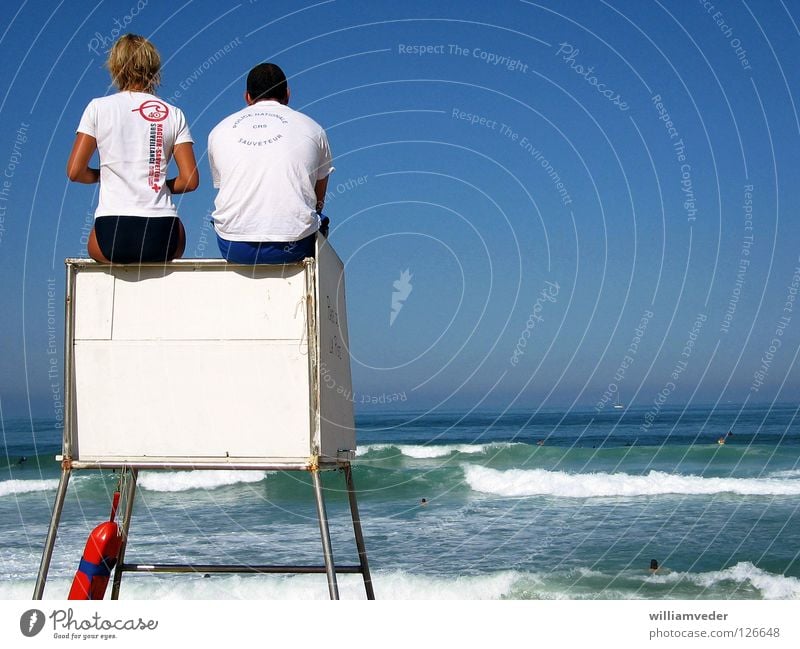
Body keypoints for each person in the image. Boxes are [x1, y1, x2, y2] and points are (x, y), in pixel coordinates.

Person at [67, 34, 198, 264]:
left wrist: (103, 175)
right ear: (154, 68)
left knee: (93, 246)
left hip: (113, 233)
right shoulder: (173, 113)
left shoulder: (98, 108)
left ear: (115, 67)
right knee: (177, 238)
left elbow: (75, 171)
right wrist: (159, 184)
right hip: (162, 234)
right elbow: (190, 180)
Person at [207, 62, 333, 264]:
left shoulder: (218, 130)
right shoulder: (314, 128)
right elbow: (319, 197)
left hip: (234, 247)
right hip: (293, 246)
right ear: (287, 94)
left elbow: (227, 186)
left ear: (247, 97)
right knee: (319, 219)